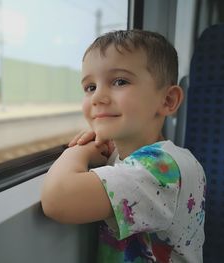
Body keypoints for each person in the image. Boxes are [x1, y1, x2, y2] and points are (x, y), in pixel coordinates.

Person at [41, 30, 206, 263]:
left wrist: (77, 151)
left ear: (167, 101)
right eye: (89, 87)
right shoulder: (124, 157)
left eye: (120, 81)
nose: (97, 97)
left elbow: (57, 200)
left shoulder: (161, 169)